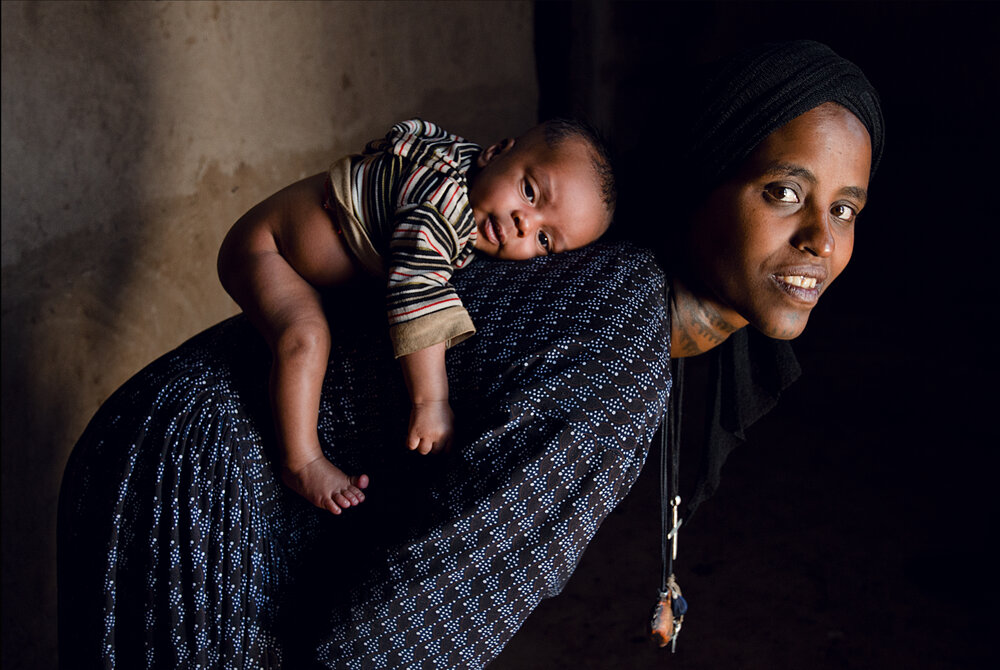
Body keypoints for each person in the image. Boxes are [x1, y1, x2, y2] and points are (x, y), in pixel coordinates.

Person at [58, 40, 883, 669]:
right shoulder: (617, 346)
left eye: (847, 209)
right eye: (782, 192)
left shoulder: (608, 266)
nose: (819, 240)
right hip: (197, 467)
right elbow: (398, 638)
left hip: (234, 456)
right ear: (705, 180)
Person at [216, 118, 615, 515]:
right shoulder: (439, 206)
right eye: (529, 192)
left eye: (544, 239)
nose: (523, 223)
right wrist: (431, 401)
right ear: (495, 152)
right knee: (305, 337)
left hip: (303, 250)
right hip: (266, 249)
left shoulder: (470, 172)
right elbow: (416, 294)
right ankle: (300, 462)